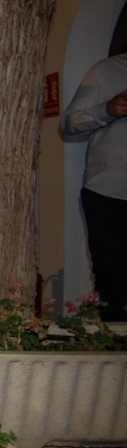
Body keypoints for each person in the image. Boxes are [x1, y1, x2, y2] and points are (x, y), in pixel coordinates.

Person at [62, 53, 127, 321]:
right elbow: (69, 122)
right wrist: (106, 110)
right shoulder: (107, 70)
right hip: (109, 193)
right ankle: (115, 357)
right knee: (114, 281)